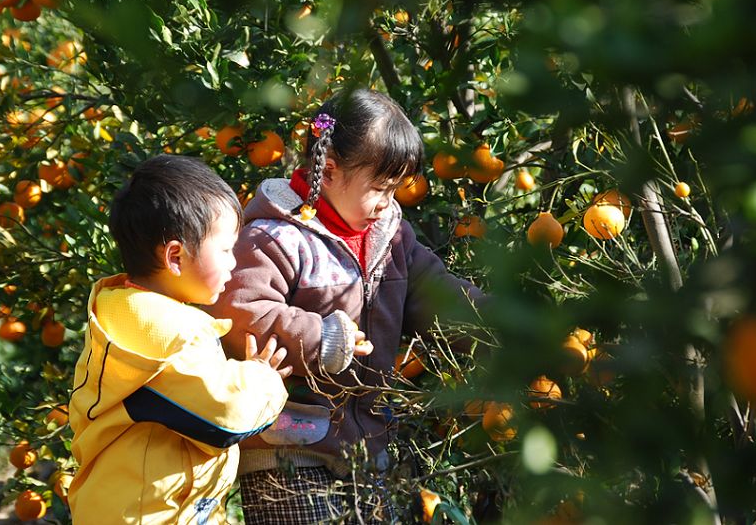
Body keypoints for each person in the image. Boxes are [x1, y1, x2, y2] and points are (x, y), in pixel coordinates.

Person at [206, 88, 484, 523]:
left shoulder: (391, 239)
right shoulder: (274, 238)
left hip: (366, 449)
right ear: (330, 171)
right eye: (380, 188)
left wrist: (498, 324)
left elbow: (437, 292)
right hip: (290, 451)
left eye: (395, 190)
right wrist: (321, 339)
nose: (387, 203)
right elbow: (241, 316)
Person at [67, 154, 291, 525]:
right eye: (224, 250)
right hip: (150, 514)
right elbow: (228, 417)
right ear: (175, 256)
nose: (233, 263)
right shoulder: (174, 335)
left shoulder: (123, 310)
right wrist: (263, 377)